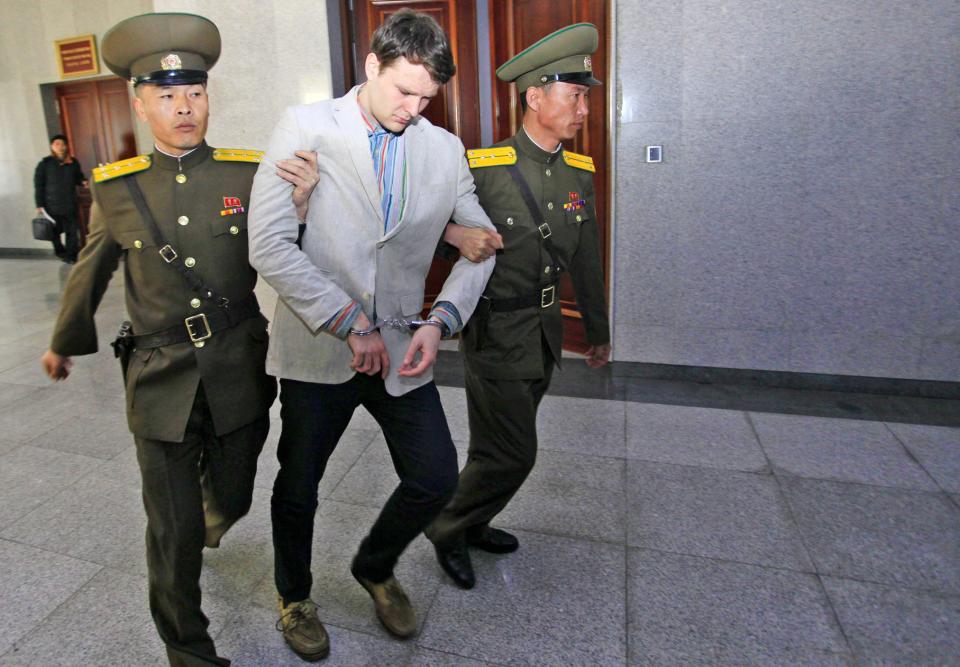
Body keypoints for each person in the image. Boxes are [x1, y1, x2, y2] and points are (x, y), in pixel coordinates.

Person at [36, 13, 313, 666]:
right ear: (139, 102)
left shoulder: (250, 174)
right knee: (174, 530)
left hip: (237, 366)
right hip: (160, 377)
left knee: (235, 493)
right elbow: (92, 268)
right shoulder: (118, 185)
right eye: (166, 95)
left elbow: (283, 253)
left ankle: (211, 517)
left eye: (193, 93)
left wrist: (300, 209)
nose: (183, 107)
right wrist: (62, 340)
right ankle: (187, 649)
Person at [247, 8, 495, 658]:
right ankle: (294, 595)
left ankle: (375, 564)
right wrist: (348, 320)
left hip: (403, 344)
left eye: (426, 97)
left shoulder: (442, 149)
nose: (413, 108)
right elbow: (269, 245)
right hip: (320, 344)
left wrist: (442, 318)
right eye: (402, 91)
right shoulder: (304, 128)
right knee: (298, 483)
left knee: (436, 474)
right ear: (372, 66)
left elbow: (483, 242)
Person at [426, 23, 612, 589]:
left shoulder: (578, 172)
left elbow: (586, 259)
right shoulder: (482, 168)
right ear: (536, 96)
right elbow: (426, 232)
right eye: (574, 95)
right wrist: (455, 236)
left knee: (495, 445)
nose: (584, 107)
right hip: (497, 330)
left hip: (546, 331)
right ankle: (446, 527)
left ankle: (475, 521)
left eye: (586, 96)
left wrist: (597, 331)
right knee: (515, 453)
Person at [34, 133, 87, 262]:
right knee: (54, 232)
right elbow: (38, 185)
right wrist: (39, 204)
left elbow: (78, 177)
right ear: (52, 147)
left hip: (69, 203)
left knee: (72, 231)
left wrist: (83, 182)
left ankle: (71, 256)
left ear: (66, 146)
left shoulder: (73, 162)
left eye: (63, 144)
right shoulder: (45, 164)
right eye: (57, 144)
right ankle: (60, 251)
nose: (61, 147)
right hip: (51, 204)